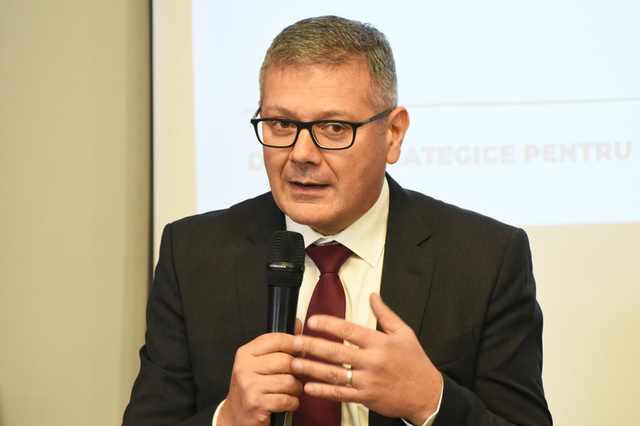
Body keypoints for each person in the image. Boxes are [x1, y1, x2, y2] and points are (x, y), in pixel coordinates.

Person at [123, 15, 552, 426]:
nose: (301, 154)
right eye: (281, 123)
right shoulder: (193, 254)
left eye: (333, 128)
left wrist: (430, 401)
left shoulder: (487, 260)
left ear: (393, 134)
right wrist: (228, 419)